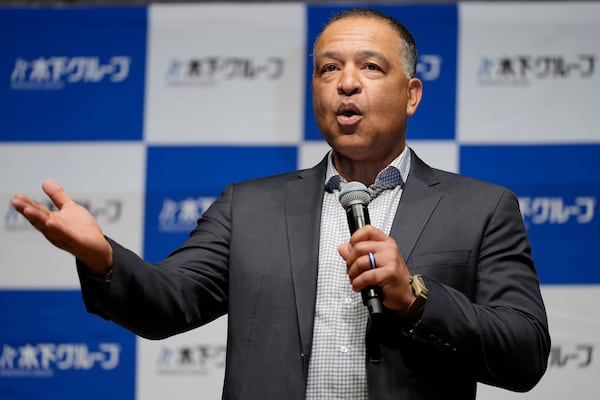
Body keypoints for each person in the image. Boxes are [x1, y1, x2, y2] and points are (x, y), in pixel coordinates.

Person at [11, 8, 550, 400]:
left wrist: (415, 298)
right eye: (328, 69)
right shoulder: (249, 206)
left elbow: (524, 354)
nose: (345, 84)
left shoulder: (481, 208)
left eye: (370, 68)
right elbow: (165, 305)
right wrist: (102, 256)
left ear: (411, 94)